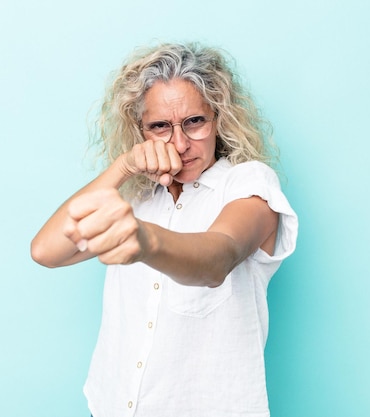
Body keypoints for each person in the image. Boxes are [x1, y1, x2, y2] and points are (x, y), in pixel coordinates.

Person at [31, 42, 298, 417]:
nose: (180, 143)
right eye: (159, 127)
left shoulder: (249, 184)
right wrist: (123, 168)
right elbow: (46, 250)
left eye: (194, 122)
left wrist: (142, 240)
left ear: (219, 118)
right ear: (140, 131)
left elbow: (217, 258)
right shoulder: (136, 197)